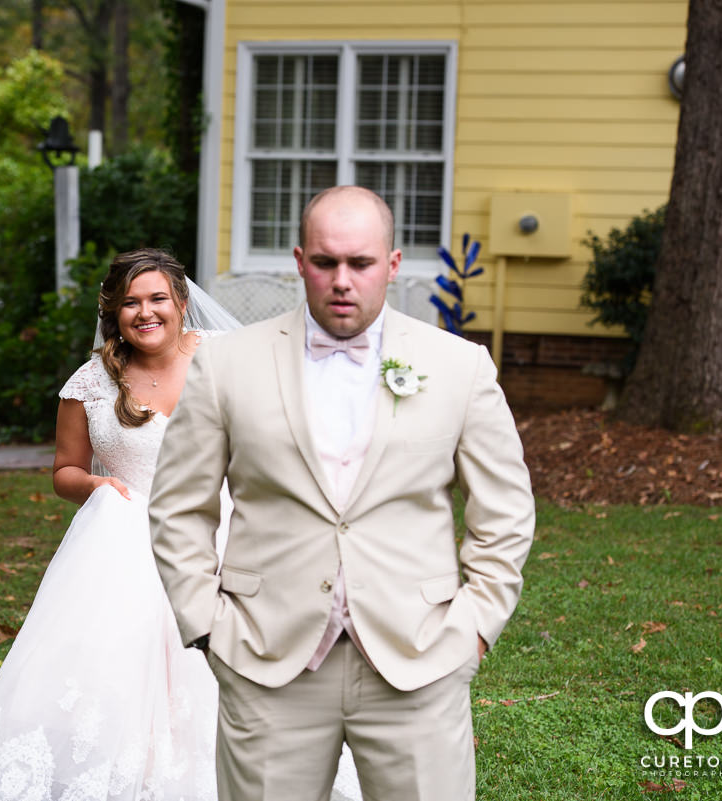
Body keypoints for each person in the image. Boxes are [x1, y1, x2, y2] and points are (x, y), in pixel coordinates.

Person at [0, 248, 362, 800]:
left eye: (157, 298)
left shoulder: (231, 357)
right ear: (113, 312)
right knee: (122, 679)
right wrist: (97, 487)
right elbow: (64, 471)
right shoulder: (90, 383)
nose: (145, 312)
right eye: (130, 302)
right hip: (127, 543)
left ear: (181, 302)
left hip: (230, 534)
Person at [149, 187, 536, 801]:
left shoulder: (460, 366)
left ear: (393, 264)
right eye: (326, 263)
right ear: (300, 262)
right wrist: (207, 626)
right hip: (266, 661)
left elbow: (506, 512)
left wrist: (474, 628)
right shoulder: (227, 366)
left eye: (360, 263)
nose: (342, 281)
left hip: (420, 660)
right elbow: (177, 506)